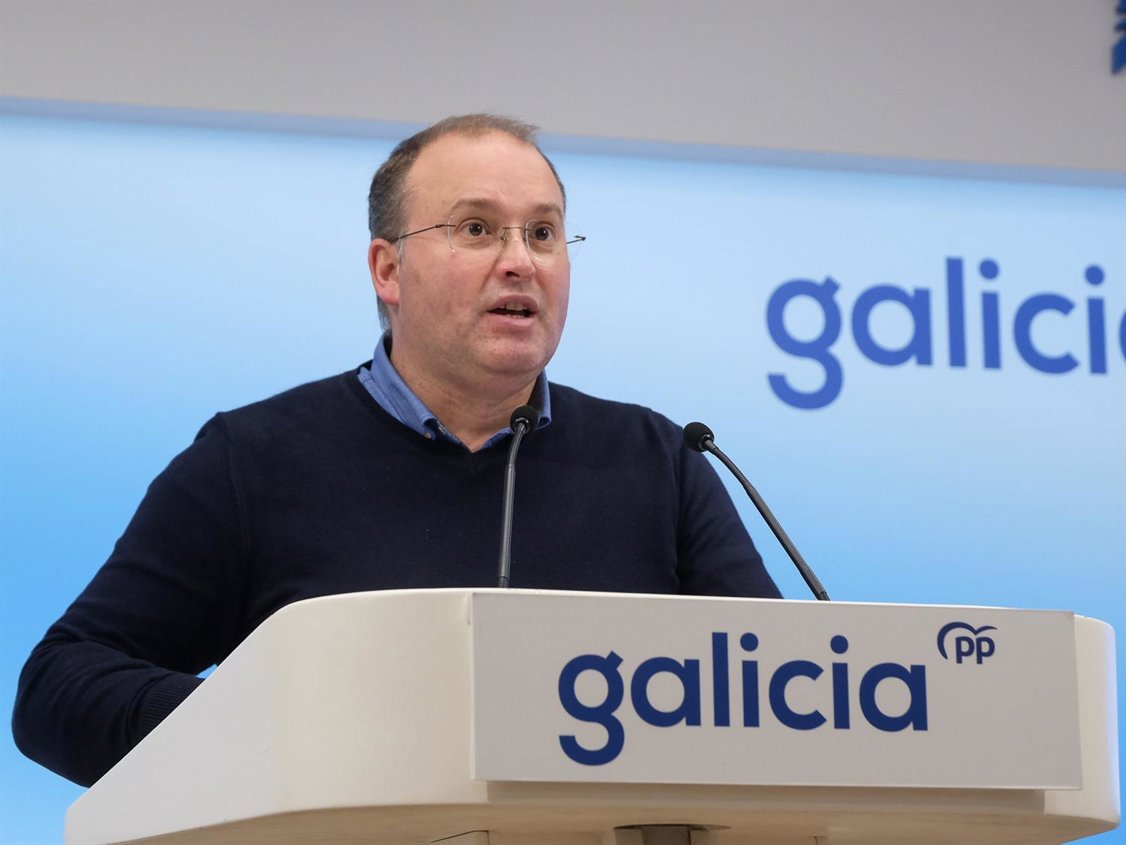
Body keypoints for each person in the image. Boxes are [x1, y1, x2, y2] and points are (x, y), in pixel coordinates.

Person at [12, 114, 780, 788]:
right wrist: (264, 726)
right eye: (477, 229)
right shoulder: (252, 460)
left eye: (543, 233)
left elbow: (783, 698)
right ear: (388, 270)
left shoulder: (659, 460)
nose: (520, 259)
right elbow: (58, 687)